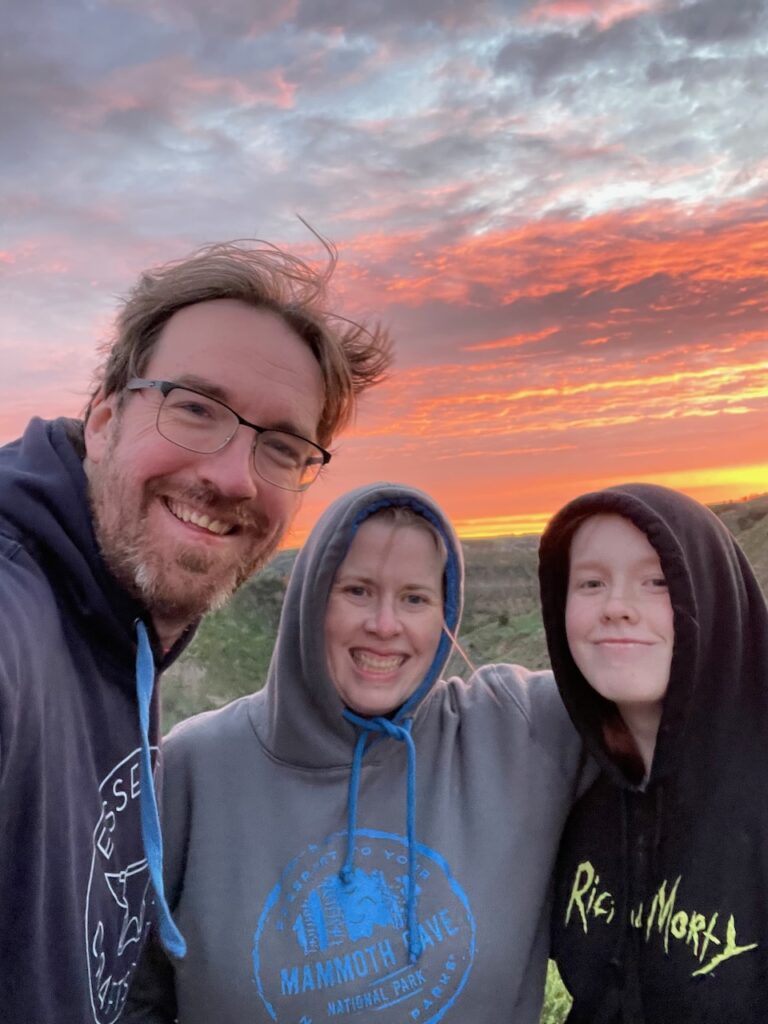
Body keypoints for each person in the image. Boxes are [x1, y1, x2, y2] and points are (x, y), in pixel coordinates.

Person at [0, 237, 391, 1024]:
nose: (234, 476)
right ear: (105, 418)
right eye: (196, 409)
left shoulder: (113, 623)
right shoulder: (21, 612)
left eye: (280, 446)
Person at [123, 482, 583, 1024]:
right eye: (358, 591)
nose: (385, 626)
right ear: (311, 598)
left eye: (415, 598)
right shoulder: (190, 768)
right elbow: (130, 995)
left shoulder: (516, 731)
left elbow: (671, 703)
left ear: (446, 613)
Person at [537, 482, 768, 1023]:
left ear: (709, 593)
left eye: (658, 581)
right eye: (591, 582)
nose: (617, 607)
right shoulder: (572, 781)